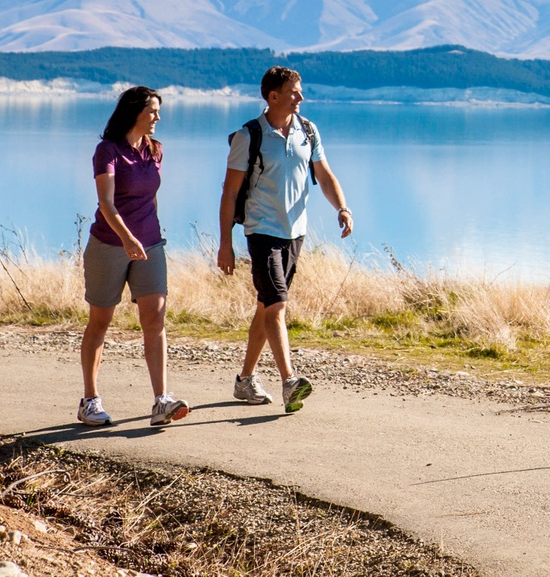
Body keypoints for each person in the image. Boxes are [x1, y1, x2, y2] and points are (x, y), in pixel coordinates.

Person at [218, 66, 354, 412]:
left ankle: (245, 380)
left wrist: (342, 207)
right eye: (294, 91)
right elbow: (230, 192)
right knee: (277, 304)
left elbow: (323, 175)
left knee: (266, 306)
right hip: (262, 230)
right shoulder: (249, 136)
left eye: (300, 90)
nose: (301, 97)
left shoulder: (308, 130)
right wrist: (225, 243)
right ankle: (289, 381)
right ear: (273, 96)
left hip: (296, 233)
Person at [79, 86, 190, 428]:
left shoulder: (155, 150)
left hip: (150, 245)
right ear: (134, 112)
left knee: (155, 320)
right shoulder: (107, 151)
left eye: (158, 111)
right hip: (109, 245)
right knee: (100, 322)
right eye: (153, 111)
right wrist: (127, 238)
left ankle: (161, 401)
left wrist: (149, 235)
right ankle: (89, 401)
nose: (158, 117)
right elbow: (107, 204)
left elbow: (150, 197)